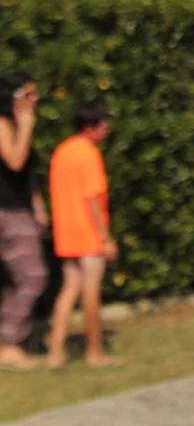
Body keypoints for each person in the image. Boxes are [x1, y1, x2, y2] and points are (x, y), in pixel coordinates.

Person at [46, 99, 122, 369]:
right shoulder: (88, 155)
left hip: (67, 232)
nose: (107, 129)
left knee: (69, 291)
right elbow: (92, 198)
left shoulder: (63, 151)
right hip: (88, 233)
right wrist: (105, 237)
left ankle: (56, 353)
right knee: (91, 293)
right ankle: (94, 352)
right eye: (104, 125)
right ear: (90, 127)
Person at [0, 72, 49, 372]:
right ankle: (9, 345)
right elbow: (15, 161)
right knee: (33, 277)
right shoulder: (2, 124)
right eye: (29, 94)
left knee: (17, 280)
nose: (35, 99)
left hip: (20, 211)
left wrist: (38, 206)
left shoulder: (15, 125)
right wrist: (27, 126)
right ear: (13, 98)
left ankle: (10, 342)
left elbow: (27, 174)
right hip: (8, 213)